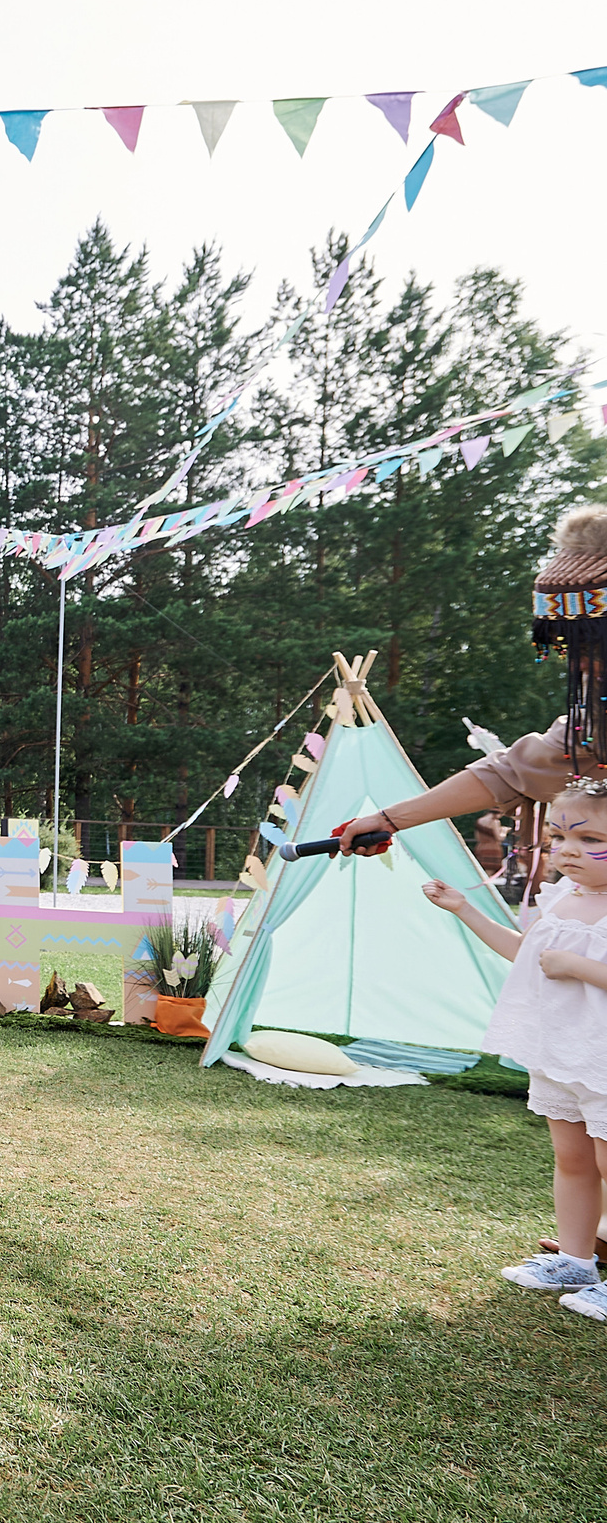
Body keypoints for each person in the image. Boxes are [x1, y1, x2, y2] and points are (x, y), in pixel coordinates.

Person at [422, 779, 607, 1321]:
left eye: (588, 838)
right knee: (573, 1160)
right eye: (558, 837)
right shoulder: (561, 900)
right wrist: (463, 909)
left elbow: (565, 964)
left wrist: (580, 968)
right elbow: (527, 955)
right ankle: (575, 1259)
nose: (567, 850)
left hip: (603, 1057)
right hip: (559, 1051)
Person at [334, 508, 607, 852]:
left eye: (595, 648)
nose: (580, 666)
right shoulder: (596, 710)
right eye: (568, 647)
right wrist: (389, 820)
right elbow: (517, 770)